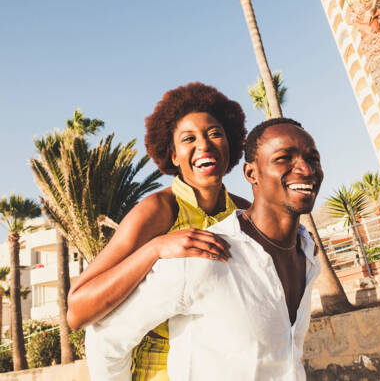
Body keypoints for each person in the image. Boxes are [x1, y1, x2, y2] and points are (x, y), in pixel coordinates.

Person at [85, 117, 324, 381]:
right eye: (284, 158)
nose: (306, 168)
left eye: (313, 159)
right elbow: (104, 338)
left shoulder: (308, 256)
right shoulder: (202, 255)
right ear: (251, 173)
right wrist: (154, 248)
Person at [67, 82, 249, 380]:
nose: (204, 145)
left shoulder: (244, 213)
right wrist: (155, 248)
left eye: (214, 133)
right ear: (174, 155)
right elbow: (77, 310)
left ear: (230, 142)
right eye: (188, 139)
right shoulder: (159, 210)